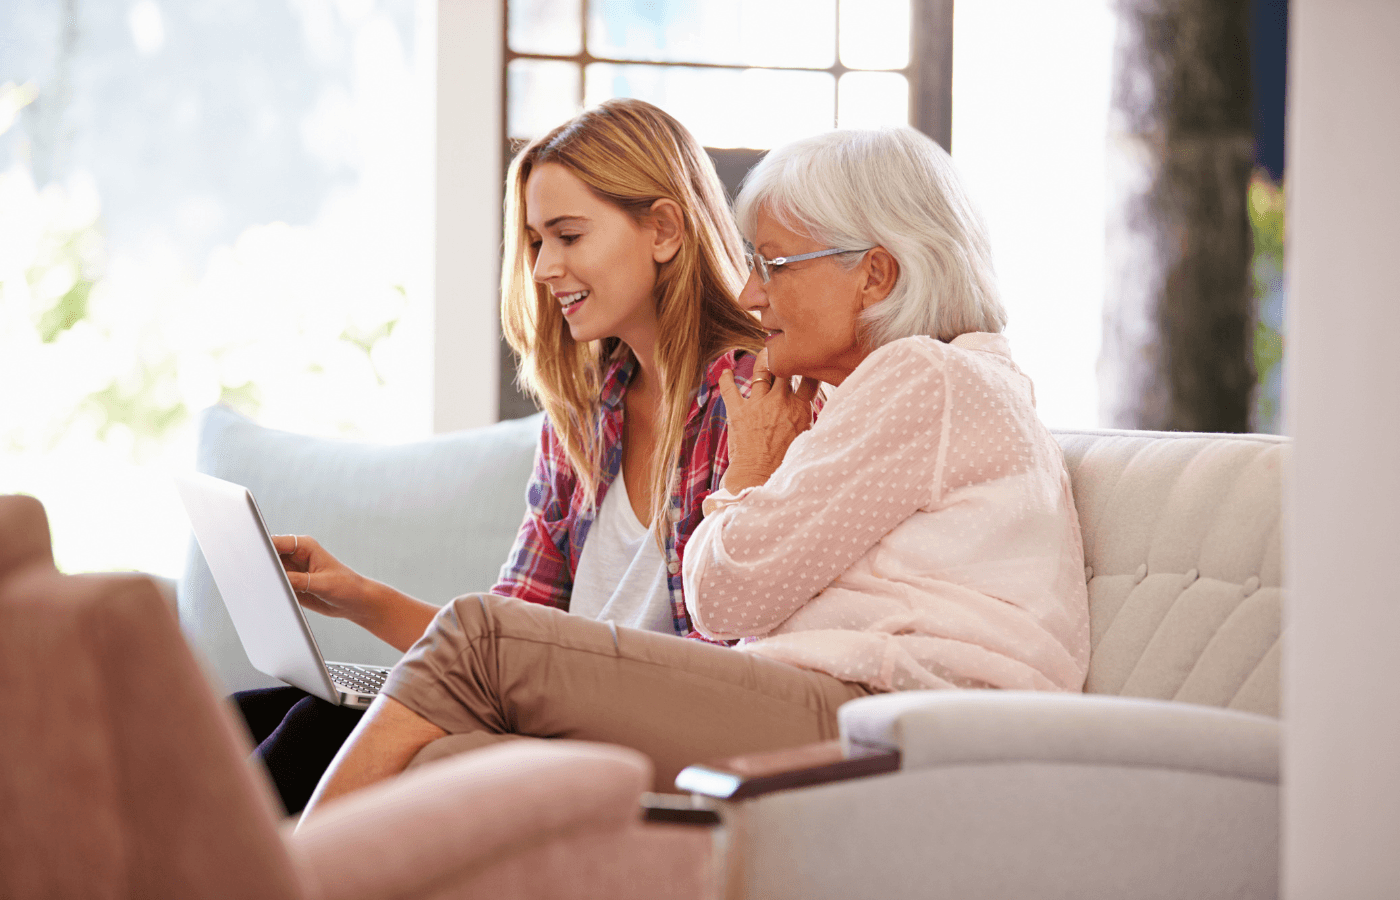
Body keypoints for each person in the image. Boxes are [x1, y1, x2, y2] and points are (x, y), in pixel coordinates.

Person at [296, 125, 1091, 821]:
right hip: (861, 715)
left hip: (896, 725)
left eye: (774, 265)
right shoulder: (881, 395)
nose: (752, 291)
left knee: (476, 636)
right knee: (441, 760)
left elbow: (723, 598)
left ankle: (272, 880)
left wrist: (748, 470)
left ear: (875, 275)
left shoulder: (926, 379)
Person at [237, 98, 766, 814]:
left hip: (656, 727)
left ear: (665, 229)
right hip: (558, 704)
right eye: (535, 241)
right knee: (252, 713)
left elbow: (737, 663)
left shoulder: (753, 398)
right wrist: (359, 597)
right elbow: (502, 642)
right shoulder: (583, 421)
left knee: (314, 730)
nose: (545, 267)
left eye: (568, 235)